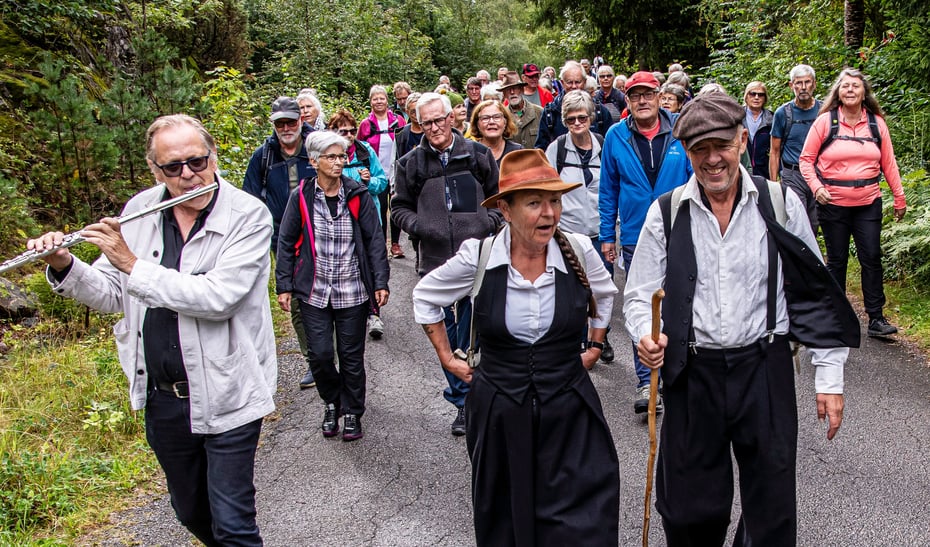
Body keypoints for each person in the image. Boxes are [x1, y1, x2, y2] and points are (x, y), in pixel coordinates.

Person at [29, 114, 277, 546]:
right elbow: (111, 294)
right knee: (190, 511)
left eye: (197, 162)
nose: (188, 175)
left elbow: (218, 299)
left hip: (229, 390)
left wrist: (131, 262)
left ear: (214, 155)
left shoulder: (249, 216)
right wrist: (64, 264)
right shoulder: (141, 210)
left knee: (234, 522)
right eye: (173, 168)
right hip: (163, 397)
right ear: (154, 169)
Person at [625, 92, 851, 547]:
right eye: (698, 149)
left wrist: (829, 378)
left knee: (770, 510)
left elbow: (815, 292)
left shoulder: (781, 203)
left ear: (742, 139)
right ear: (685, 151)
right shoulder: (667, 212)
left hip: (764, 368)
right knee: (689, 510)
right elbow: (638, 293)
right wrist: (645, 335)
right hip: (692, 373)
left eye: (721, 145)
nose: (712, 159)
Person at [412, 148, 619, 546]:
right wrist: (447, 357)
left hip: (570, 408)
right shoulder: (480, 256)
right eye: (535, 203)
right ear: (505, 210)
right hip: (500, 410)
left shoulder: (577, 249)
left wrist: (595, 345)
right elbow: (425, 297)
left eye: (554, 201)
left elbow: (605, 294)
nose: (549, 214)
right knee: (508, 518)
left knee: (585, 516)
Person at [392, 92, 503, 436]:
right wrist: (422, 227)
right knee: (445, 334)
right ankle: (460, 401)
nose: (435, 127)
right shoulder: (411, 162)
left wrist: (488, 224)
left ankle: (477, 399)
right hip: (436, 260)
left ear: (451, 119)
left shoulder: (478, 154)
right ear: (419, 124)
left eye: (440, 120)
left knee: (476, 331)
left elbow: (500, 200)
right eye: (427, 123)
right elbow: (398, 208)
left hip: (478, 261)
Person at [276, 131, 390, 442]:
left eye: (341, 156)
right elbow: (286, 241)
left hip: (351, 287)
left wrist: (380, 281)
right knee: (321, 355)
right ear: (313, 161)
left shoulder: (357, 194)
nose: (339, 162)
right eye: (331, 157)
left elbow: (374, 240)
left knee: (351, 356)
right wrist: (284, 284)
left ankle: (352, 411)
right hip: (313, 290)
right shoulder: (301, 195)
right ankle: (332, 402)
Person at [599, 70, 693, 413]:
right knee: (644, 304)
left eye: (648, 94)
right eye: (635, 95)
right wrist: (607, 234)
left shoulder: (681, 130)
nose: (642, 100)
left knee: (681, 303)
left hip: (681, 229)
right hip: (637, 234)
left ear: (659, 96)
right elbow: (608, 189)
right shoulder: (615, 136)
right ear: (628, 101)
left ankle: (680, 373)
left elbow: (695, 177)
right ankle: (646, 381)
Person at [800, 68, 908, 337]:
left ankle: (876, 318)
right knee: (836, 260)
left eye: (855, 86)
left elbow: (888, 163)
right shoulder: (825, 122)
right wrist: (817, 188)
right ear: (838, 92)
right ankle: (835, 316)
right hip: (833, 203)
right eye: (845, 86)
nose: (850, 90)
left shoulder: (876, 124)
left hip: (868, 201)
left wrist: (899, 196)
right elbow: (806, 160)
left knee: (871, 257)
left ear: (864, 93)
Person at [243, 96, 317, 390]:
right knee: (298, 300)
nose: (286, 128)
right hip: (282, 240)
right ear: (273, 124)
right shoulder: (263, 157)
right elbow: (248, 201)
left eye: (291, 121)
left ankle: (333, 353)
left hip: (321, 233)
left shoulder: (317, 146)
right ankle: (313, 360)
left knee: (329, 294)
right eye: (280, 123)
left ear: (300, 120)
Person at [545, 90, 613, 362]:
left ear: (591, 117)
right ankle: (574, 340)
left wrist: (612, 229)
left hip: (599, 232)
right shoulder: (557, 149)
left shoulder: (603, 145)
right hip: (568, 233)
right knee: (572, 289)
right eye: (570, 119)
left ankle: (600, 336)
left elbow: (613, 187)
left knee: (600, 288)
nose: (576, 123)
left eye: (581, 117)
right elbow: (548, 189)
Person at [358, 85, 406, 337]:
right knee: (379, 212)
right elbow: (361, 148)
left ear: (387, 101)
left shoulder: (397, 120)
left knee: (394, 207)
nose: (379, 101)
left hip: (392, 171)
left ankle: (394, 243)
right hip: (375, 174)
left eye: (382, 98)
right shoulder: (366, 125)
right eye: (375, 98)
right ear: (371, 101)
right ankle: (382, 242)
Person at [769, 64, 822, 231]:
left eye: (807, 82)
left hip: (819, 172)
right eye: (798, 83)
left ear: (814, 84)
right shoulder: (782, 113)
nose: (803, 87)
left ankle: (811, 255)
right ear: (791, 85)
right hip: (793, 173)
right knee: (797, 219)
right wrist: (773, 183)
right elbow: (774, 151)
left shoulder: (824, 111)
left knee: (815, 222)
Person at [535, 61, 613, 151]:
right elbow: (541, 149)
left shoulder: (600, 111)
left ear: (584, 82)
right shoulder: (551, 112)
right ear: (562, 83)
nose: (574, 86)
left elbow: (610, 147)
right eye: (569, 82)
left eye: (577, 82)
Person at [468, 99, 523, 165]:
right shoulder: (469, 152)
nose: (491, 122)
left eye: (497, 117)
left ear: (505, 122)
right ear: (477, 124)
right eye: (485, 118)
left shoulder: (517, 151)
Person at [499, 71, 544, 150]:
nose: (512, 92)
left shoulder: (539, 112)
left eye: (515, 88)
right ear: (504, 94)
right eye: (508, 89)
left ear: (522, 90)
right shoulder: (501, 116)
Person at [742, 81, 774, 178]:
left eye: (760, 95)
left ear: (765, 98)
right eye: (752, 94)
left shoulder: (771, 119)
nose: (756, 97)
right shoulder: (737, 116)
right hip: (741, 169)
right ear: (746, 96)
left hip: (763, 171)